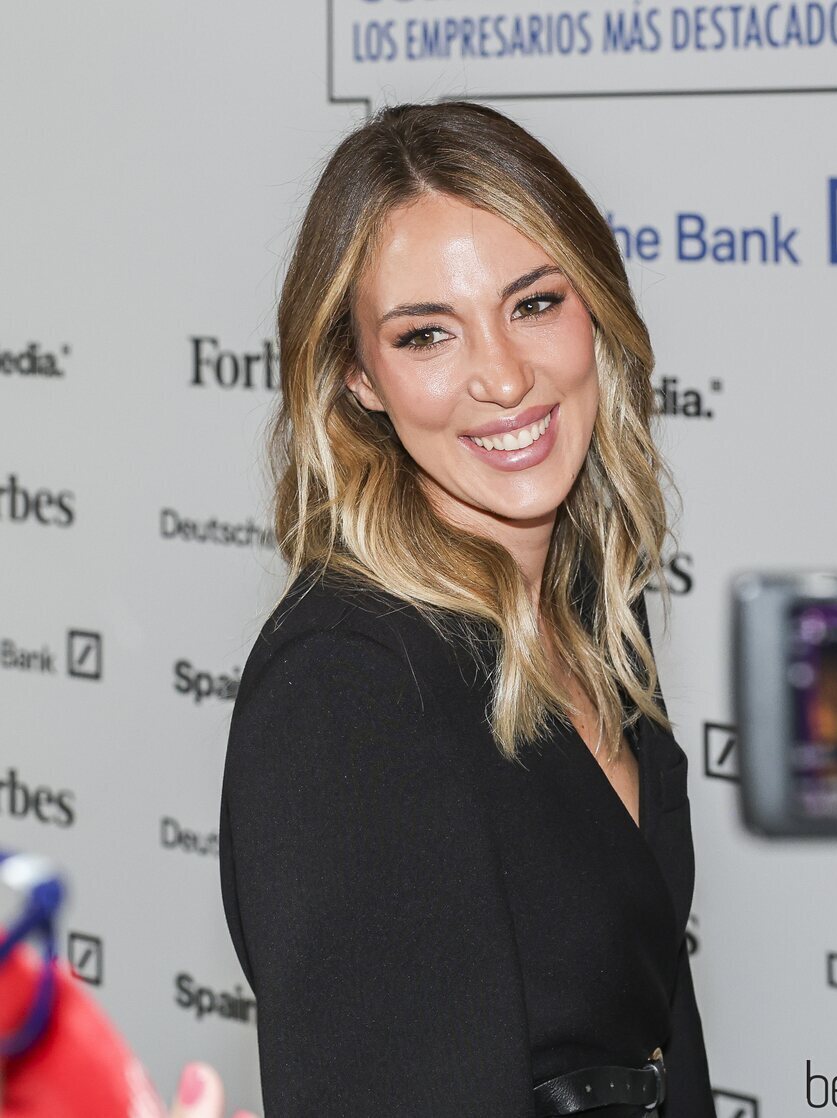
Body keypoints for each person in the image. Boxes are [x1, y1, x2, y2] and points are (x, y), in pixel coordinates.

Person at [219, 99, 716, 1117]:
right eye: (427, 333)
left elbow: (651, 1025)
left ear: (594, 307)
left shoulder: (588, 610)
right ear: (358, 376)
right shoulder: (351, 683)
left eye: (533, 302)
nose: (501, 376)